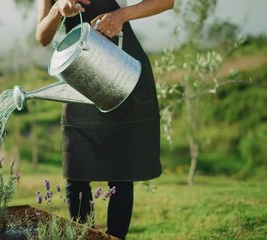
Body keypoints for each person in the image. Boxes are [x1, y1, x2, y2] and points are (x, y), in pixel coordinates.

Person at [35, 0, 174, 239]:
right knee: (76, 170)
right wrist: (58, 9)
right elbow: (42, 36)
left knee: (121, 173)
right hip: (78, 72)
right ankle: (83, 236)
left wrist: (122, 15)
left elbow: (167, 1)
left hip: (121, 68)